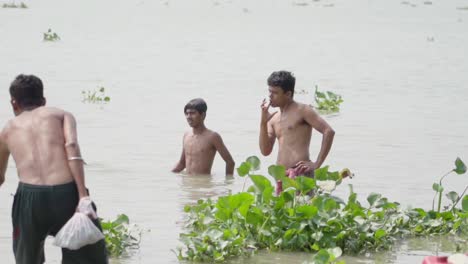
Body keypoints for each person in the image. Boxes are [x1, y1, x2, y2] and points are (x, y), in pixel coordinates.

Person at [0, 74, 108, 264]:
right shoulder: (61, 115)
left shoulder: (7, 130)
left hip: (29, 199)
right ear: (43, 100)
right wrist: (83, 196)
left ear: (13, 103)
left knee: (27, 258)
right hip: (66, 194)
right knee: (86, 255)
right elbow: (72, 146)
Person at [259, 71, 335, 182]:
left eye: (275, 93)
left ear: (288, 94)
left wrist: (317, 163)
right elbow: (265, 151)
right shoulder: (273, 119)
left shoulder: (302, 110)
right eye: (269, 91)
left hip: (301, 174)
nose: (270, 96)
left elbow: (328, 131)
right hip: (281, 177)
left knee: (304, 200)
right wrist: (263, 122)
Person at [172, 98, 235, 176]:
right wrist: (168, 177)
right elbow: (182, 164)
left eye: (192, 113)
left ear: (203, 115)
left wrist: (228, 184)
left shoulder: (212, 137)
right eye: (187, 113)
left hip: (203, 187)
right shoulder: (186, 135)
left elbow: (230, 162)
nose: (188, 117)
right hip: (187, 186)